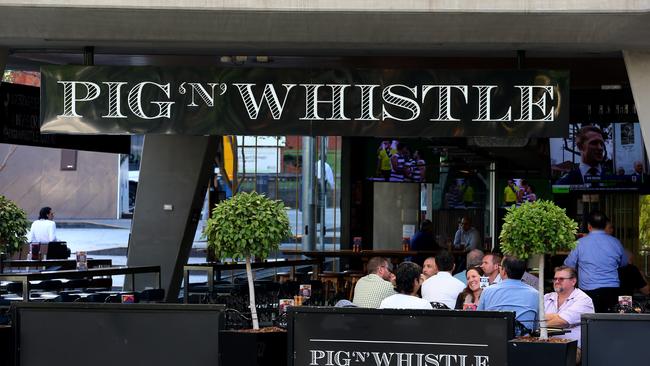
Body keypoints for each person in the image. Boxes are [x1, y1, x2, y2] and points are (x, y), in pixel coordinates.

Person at [564, 210, 627, 312]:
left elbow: (569, 265)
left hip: (588, 291)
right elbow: (624, 263)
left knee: (589, 322)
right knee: (609, 320)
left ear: (589, 226)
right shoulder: (616, 242)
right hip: (612, 290)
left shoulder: (580, 243)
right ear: (605, 225)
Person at [544, 266, 594, 361]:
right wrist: (556, 317)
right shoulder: (546, 297)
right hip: (545, 343)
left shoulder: (583, 299)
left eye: (561, 279)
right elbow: (534, 318)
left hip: (572, 347)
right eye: (555, 278)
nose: (557, 281)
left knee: (554, 359)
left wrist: (541, 320)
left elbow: (562, 321)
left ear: (573, 281)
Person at [478, 256, 539, 333]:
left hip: (494, 340)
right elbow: (537, 326)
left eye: (501, 267)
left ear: (503, 271)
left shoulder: (487, 291)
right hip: (523, 342)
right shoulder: (535, 294)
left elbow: (479, 322)